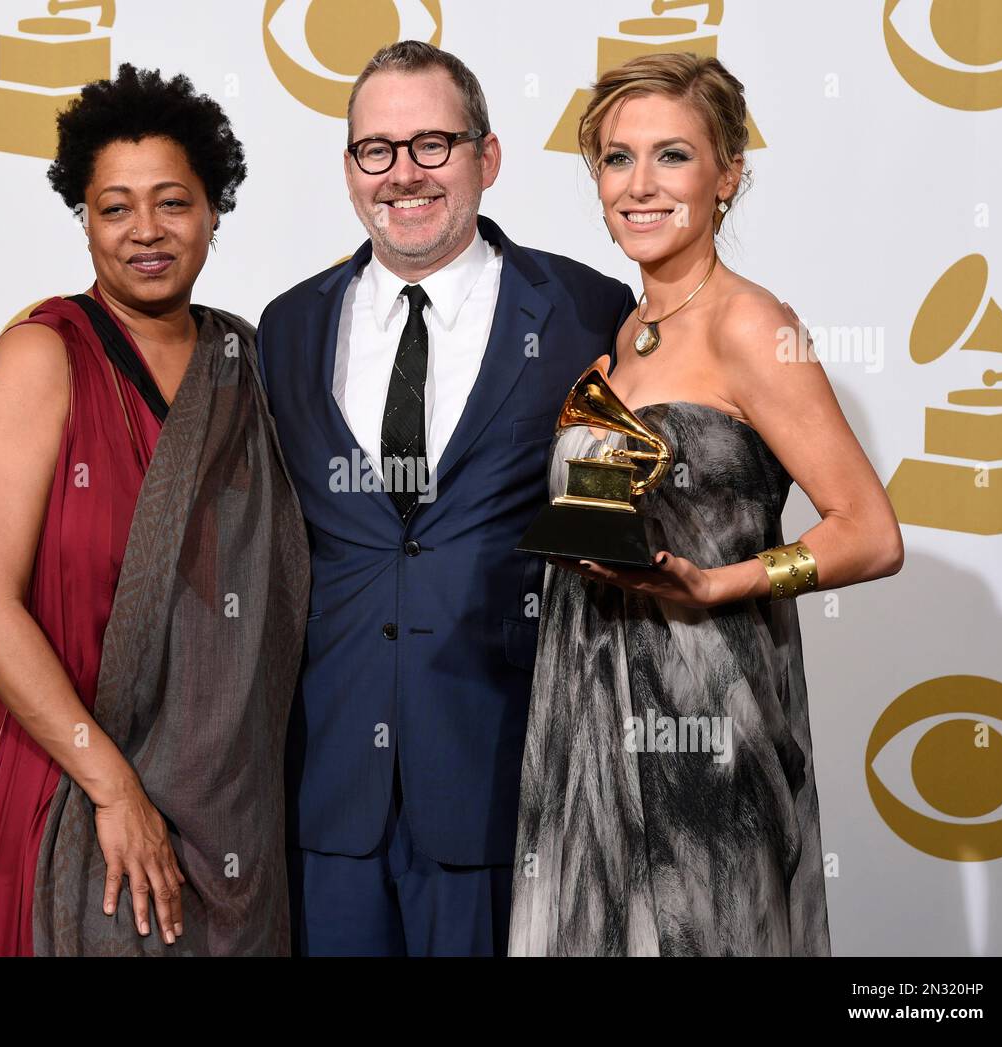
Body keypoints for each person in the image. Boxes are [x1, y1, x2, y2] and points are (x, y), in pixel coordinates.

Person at [0, 65, 309, 957]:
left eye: (173, 202)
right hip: (68, 792)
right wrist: (116, 791)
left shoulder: (247, 362)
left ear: (214, 211)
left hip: (227, 817)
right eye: (115, 207)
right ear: (83, 217)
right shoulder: (42, 356)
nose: (146, 232)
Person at [509, 52, 905, 956]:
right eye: (617, 159)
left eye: (672, 156)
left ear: (727, 174)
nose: (640, 186)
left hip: (707, 720)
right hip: (588, 715)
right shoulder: (621, 333)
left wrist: (721, 587)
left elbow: (871, 534)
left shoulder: (751, 324)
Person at [257, 41, 635, 956]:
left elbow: (608, 532)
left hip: (504, 774)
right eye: (376, 150)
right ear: (351, 169)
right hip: (327, 785)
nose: (404, 175)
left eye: (433, 144)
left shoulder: (589, 310)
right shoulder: (286, 324)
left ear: (487, 158)